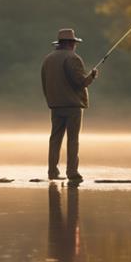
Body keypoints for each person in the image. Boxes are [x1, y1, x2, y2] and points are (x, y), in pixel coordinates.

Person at [40, 28, 98, 182]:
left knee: (55, 139)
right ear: (70, 43)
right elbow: (79, 83)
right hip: (72, 106)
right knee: (73, 139)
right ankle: (72, 173)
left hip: (55, 105)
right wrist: (91, 76)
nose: (75, 45)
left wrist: (51, 100)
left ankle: (52, 172)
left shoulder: (48, 59)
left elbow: (44, 83)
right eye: (74, 42)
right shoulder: (73, 58)